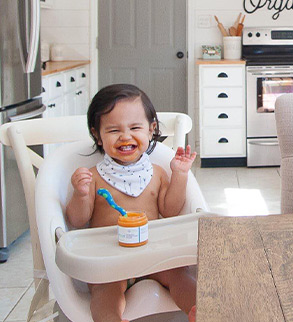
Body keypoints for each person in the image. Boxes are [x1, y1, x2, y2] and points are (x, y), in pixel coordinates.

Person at [66, 84, 196, 322]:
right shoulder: (94, 176)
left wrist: (180, 174)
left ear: (151, 130)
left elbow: (171, 209)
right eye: (114, 130)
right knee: (104, 291)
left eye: (135, 127)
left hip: (154, 254)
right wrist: (81, 194)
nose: (125, 136)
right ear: (97, 134)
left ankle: (200, 310)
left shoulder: (156, 173)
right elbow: (76, 220)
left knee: (180, 275)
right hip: (109, 259)